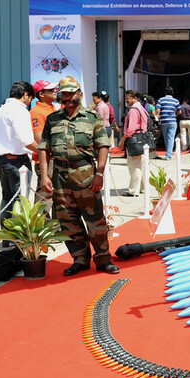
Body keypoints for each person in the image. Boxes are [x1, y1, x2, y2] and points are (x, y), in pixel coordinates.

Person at [38, 76, 119, 275]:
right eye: (64, 94)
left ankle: (103, 260)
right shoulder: (53, 119)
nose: (67, 97)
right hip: (60, 178)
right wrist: (44, 177)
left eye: (71, 93)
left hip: (86, 176)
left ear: (80, 94)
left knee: (95, 220)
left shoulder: (92, 117)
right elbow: (44, 148)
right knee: (68, 221)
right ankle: (80, 259)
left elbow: (103, 146)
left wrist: (99, 173)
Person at [0, 81, 37, 234]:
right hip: (17, 161)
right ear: (25, 95)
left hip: (1, 160)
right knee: (19, 200)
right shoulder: (20, 110)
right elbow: (25, 139)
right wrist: (42, 151)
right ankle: (17, 238)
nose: (29, 102)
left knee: (7, 198)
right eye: (30, 99)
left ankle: (7, 236)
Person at [29, 80, 58, 214]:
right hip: (47, 160)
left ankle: (56, 225)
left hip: (56, 158)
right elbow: (40, 138)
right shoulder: (36, 112)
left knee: (58, 196)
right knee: (45, 196)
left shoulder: (53, 108)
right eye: (50, 90)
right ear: (41, 94)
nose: (54, 91)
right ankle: (41, 224)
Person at [117, 90, 148, 196]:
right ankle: (143, 188)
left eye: (128, 98)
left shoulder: (133, 110)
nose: (126, 100)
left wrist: (123, 139)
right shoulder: (141, 108)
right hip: (142, 139)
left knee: (134, 166)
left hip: (134, 140)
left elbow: (131, 128)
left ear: (135, 98)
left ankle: (133, 190)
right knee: (140, 164)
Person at [155, 86, 179, 159]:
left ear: (165, 92)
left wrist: (158, 115)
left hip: (164, 122)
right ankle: (169, 154)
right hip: (172, 122)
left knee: (166, 138)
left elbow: (158, 109)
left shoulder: (161, 100)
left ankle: (168, 154)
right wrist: (175, 115)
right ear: (172, 92)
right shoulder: (176, 101)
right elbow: (180, 111)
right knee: (171, 138)